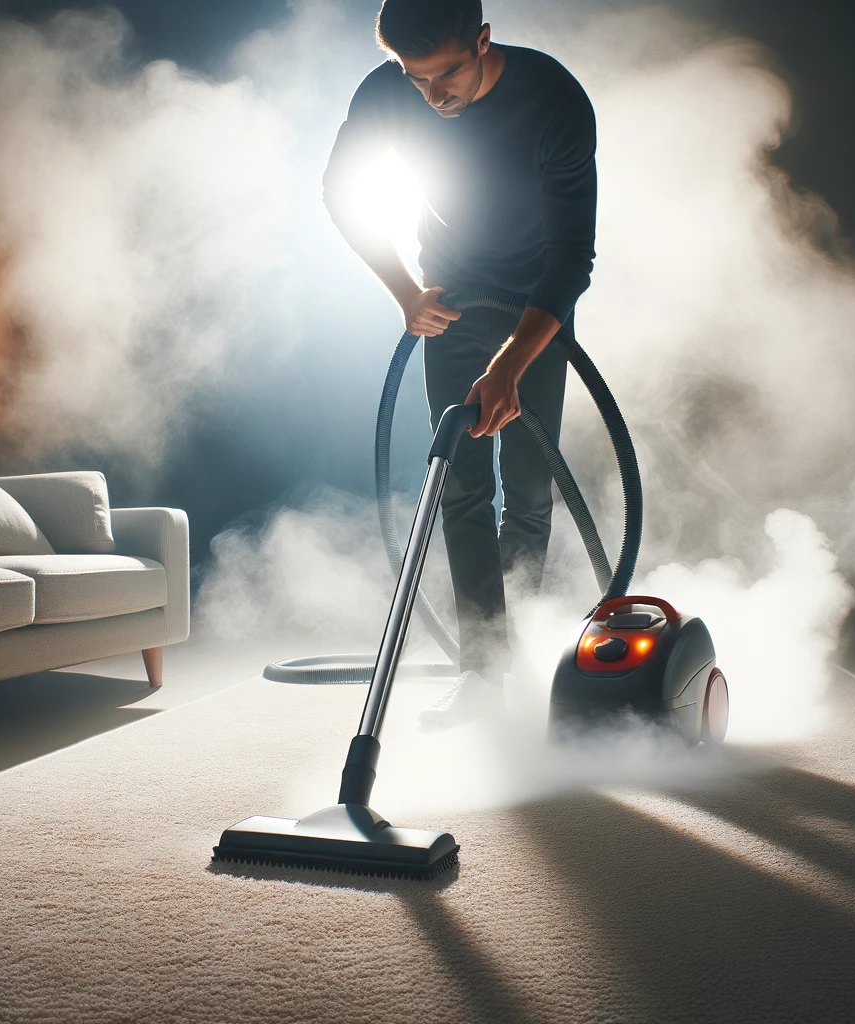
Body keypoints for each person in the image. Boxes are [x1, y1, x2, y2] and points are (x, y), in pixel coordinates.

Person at [322, 0, 597, 727]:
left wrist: (510, 363)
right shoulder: (386, 92)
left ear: (482, 40)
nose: (434, 95)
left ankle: (526, 652)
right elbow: (340, 192)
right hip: (451, 297)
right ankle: (484, 674)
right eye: (417, 80)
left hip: (537, 307)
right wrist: (405, 292)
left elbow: (573, 259)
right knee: (461, 484)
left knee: (530, 492)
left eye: (447, 74)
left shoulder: (555, 99)